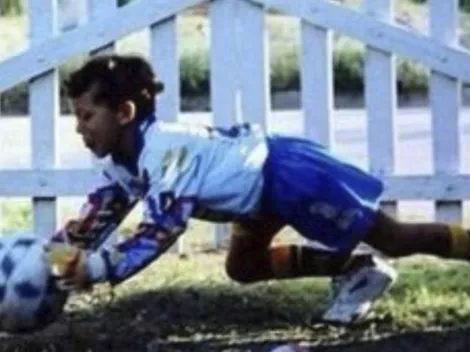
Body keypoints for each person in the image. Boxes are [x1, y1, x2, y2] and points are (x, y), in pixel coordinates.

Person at [45, 54, 470, 325]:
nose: (79, 129)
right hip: (256, 196)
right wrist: (46, 259)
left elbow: (160, 231)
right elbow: (94, 219)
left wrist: (96, 269)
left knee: (393, 238)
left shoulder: (163, 155)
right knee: (244, 267)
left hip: (286, 175)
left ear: (124, 113)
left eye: (86, 117)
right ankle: (358, 270)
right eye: (75, 119)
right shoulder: (122, 163)